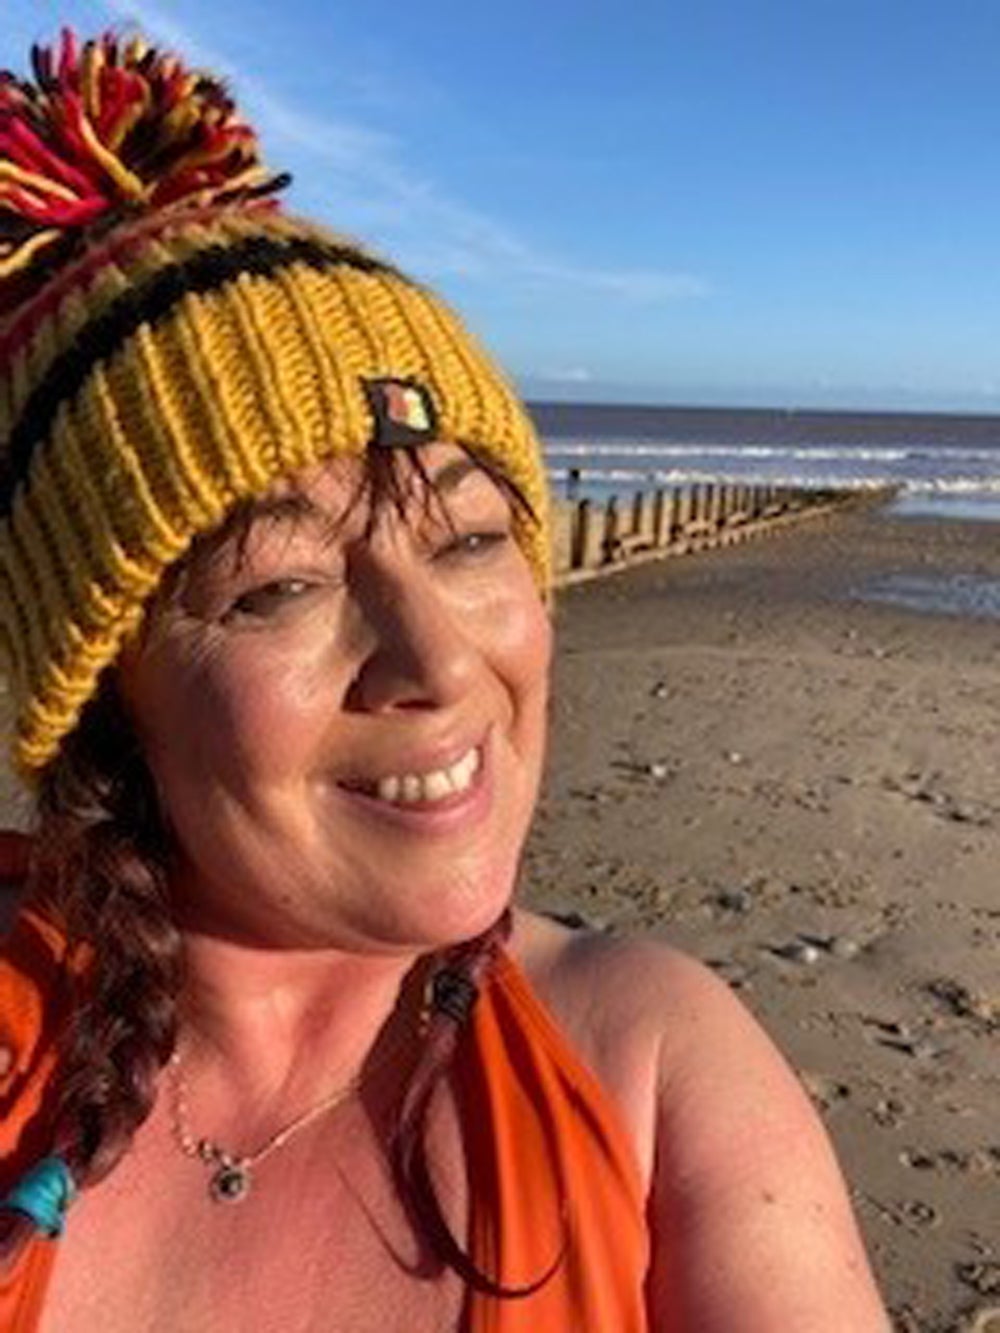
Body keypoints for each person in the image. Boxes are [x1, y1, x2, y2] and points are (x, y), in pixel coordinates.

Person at [0, 29, 889, 1332]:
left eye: (470, 541)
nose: (440, 662)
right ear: (102, 695)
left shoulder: (648, 1071)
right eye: (280, 588)